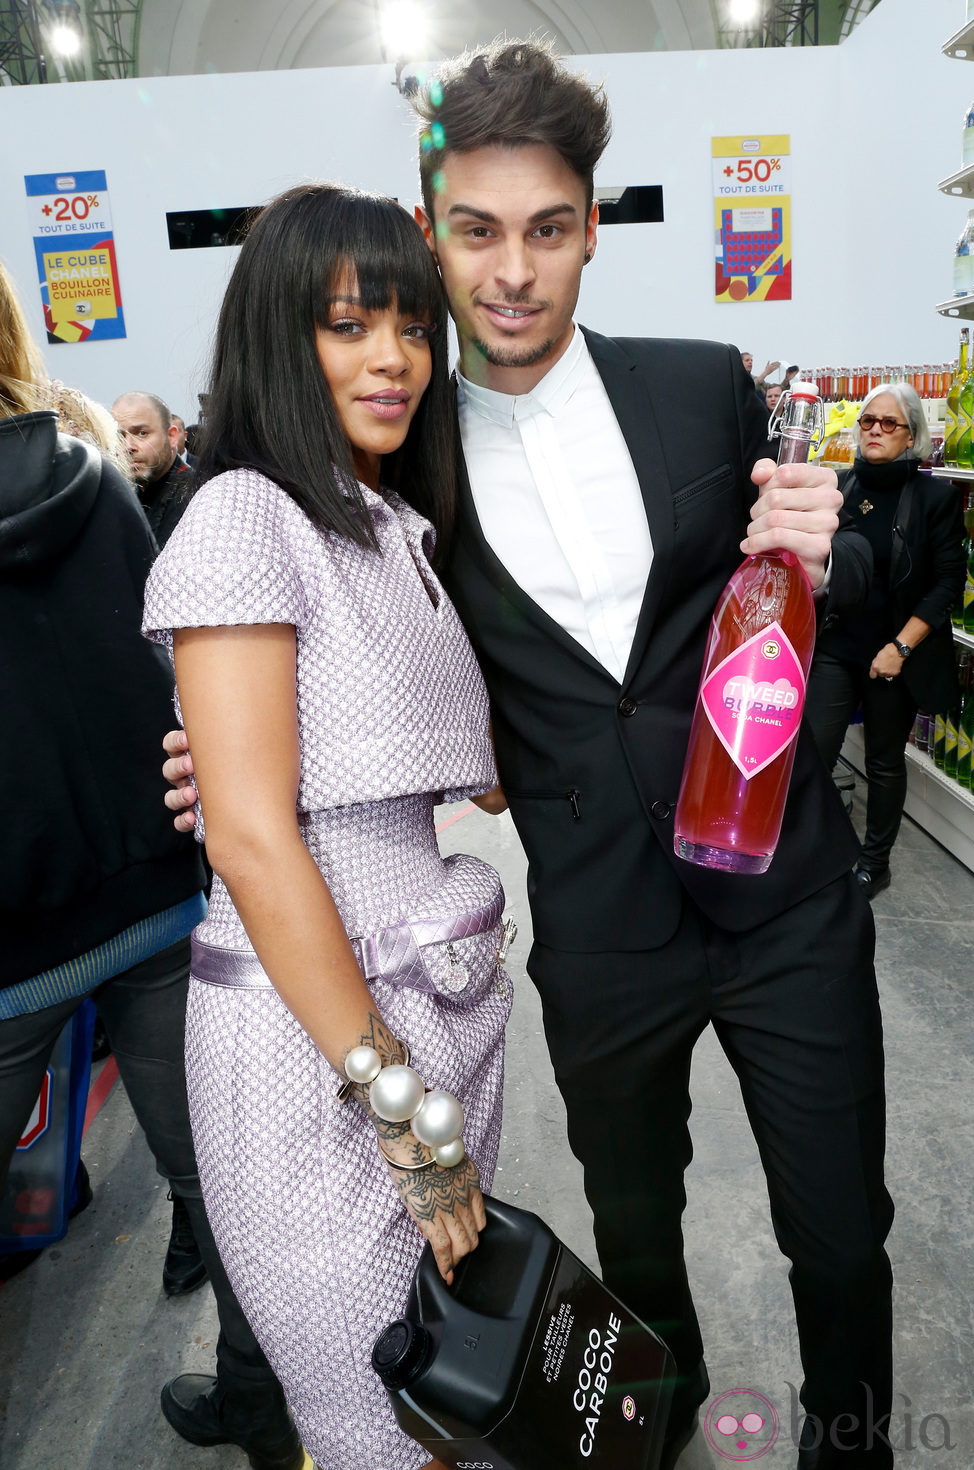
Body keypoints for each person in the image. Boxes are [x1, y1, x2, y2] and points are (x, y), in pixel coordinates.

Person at [164, 43, 889, 1470]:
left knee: (840, 1226)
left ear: (590, 231)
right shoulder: (399, 451)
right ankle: (657, 1414)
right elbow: (349, 638)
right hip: (600, 927)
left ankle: (853, 1439)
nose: (511, 272)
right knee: (632, 1231)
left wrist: (839, 550)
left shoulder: (702, 387)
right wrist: (239, 758)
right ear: (430, 230)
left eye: (547, 229)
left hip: (788, 895)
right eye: (478, 231)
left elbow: (812, 586)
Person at [143, 184, 512, 1470]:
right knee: (371, 1420)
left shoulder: (394, 524)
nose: (394, 358)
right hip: (318, 1063)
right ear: (277, 339)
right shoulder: (246, 513)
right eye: (350, 326)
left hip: (422, 1027)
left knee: (443, 1403)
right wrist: (405, 1116)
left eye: (411, 327)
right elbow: (250, 840)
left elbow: (464, 765)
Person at [0, 259, 302, 1470]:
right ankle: (263, 1409)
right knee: (216, 1179)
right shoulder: (98, 471)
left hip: (13, 932)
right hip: (153, 893)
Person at [804, 384, 965, 899]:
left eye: (889, 423)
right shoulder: (839, 487)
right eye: (868, 421)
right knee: (811, 755)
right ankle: (811, 854)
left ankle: (875, 862)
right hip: (837, 645)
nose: (874, 429)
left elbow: (948, 583)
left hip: (893, 654)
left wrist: (900, 647)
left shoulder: (935, 497)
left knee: (882, 762)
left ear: (912, 434)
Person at [112, 389, 190, 545]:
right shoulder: (124, 494)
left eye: (142, 433)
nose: (128, 446)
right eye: (120, 436)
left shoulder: (194, 496)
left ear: (172, 437)